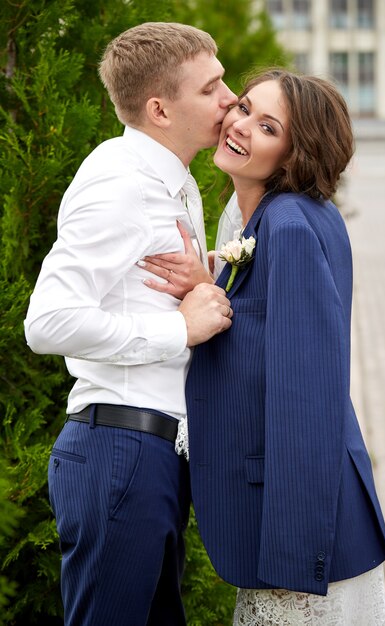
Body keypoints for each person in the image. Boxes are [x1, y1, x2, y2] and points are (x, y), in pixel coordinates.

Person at [143, 68, 385, 625]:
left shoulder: (288, 228)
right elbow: (260, 336)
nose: (239, 125)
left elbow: (306, 396)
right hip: (292, 526)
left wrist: (291, 554)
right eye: (244, 107)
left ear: (293, 153)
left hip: (301, 541)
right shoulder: (271, 218)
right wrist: (210, 284)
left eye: (267, 125)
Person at [24, 22, 236, 626]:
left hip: (152, 455)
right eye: (211, 87)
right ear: (160, 109)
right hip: (121, 451)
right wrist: (180, 331)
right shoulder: (121, 183)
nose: (229, 99)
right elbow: (48, 321)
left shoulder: (171, 181)